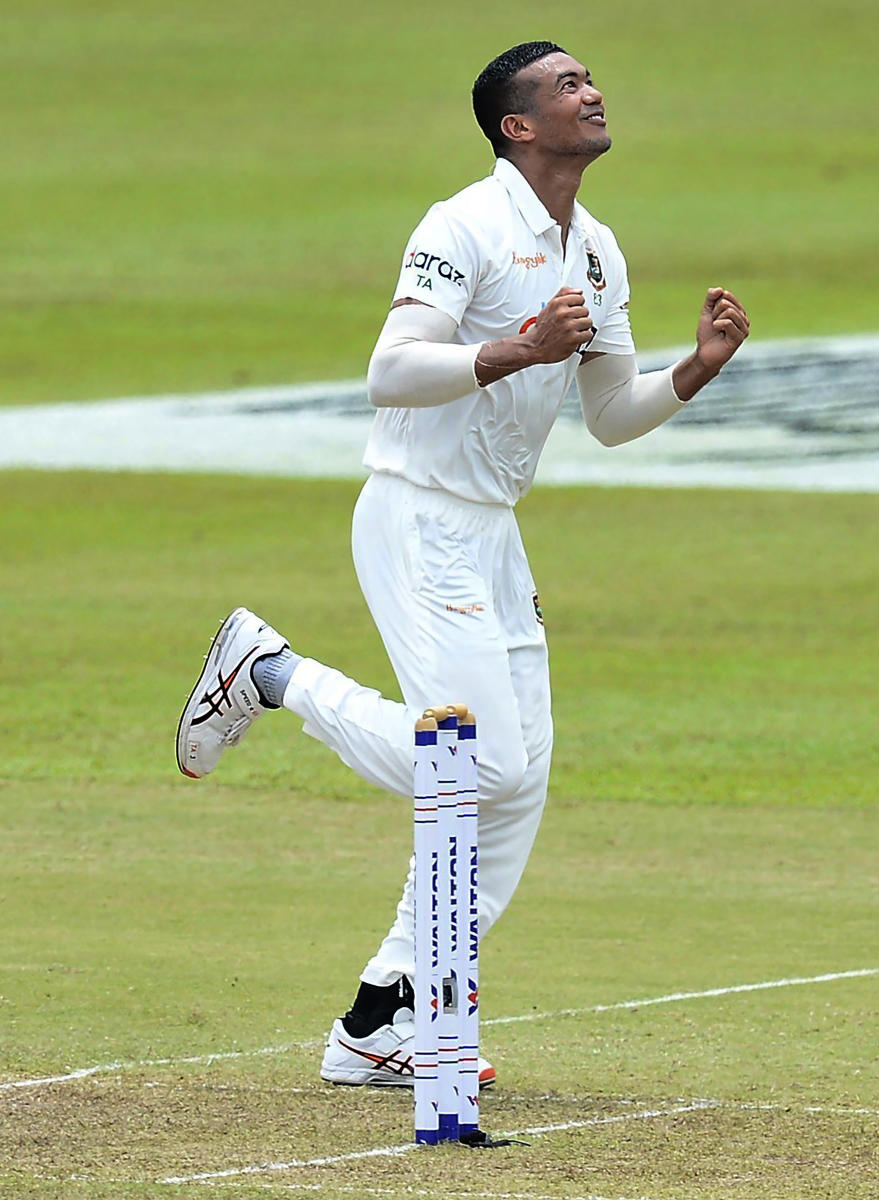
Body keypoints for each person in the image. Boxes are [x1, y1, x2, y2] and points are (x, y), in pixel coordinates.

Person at [175, 41, 750, 1088]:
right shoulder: (463, 226)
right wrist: (514, 350)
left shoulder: (598, 249)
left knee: (516, 783)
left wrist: (695, 372)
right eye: (566, 85)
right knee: (474, 765)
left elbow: (613, 416)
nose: (593, 90)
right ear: (515, 126)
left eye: (591, 77)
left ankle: (379, 1020)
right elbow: (388, 373)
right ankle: (269, 673)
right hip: (415, 514)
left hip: (491, 531)